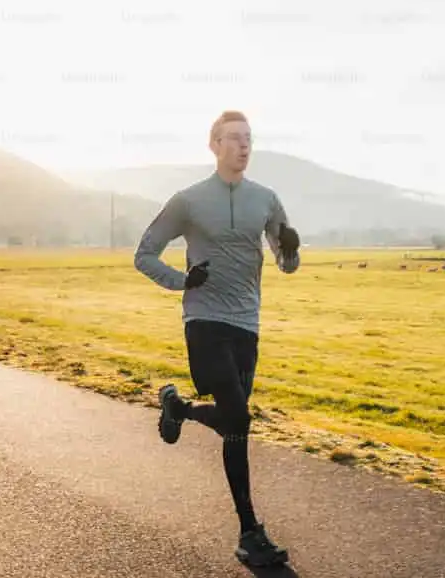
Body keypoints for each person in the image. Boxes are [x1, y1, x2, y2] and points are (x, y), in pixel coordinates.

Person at [133, 110, 301, 567]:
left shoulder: (266, 199)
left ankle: (178, 408)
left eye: (249, 139)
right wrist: (182, 281)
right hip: (204, 320)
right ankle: (250, 531)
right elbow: (144, 254)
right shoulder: (188, 201)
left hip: (247, 323)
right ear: (214, 145)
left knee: (234, 421)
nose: (244, 147)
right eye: (234, 139)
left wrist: (290, 249)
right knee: (239, 417)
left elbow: (286, 265)